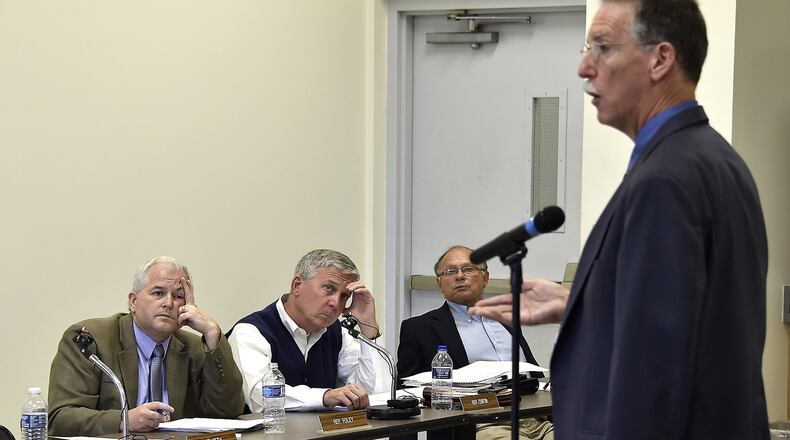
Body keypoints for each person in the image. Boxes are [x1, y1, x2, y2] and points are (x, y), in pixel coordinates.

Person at [470, 0, 769, 438]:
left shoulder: (664, 179)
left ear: (660, 59)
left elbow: (655, 368)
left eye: (603, 48)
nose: (584, 68)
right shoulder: (715, 159)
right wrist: (581, 303)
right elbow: (690, 318)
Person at [48, 256, 245, 436]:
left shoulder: (195, 348)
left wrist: (212, 333)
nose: (168, 303)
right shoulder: (90, 340)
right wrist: (124, 421)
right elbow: (61, 418)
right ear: (133, 302)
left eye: (178, 296)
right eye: (158, 293)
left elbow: (229, 410)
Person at [398, 245, 553, 440]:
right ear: (439, 284)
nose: (459, 276)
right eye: (450, 271)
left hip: (537, 418)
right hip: (480, 425)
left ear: (485, 278)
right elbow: (406, 393)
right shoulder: (419, 328)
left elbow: (533, 375)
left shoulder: (507, 319)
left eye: (468, 269)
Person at [228, 249, 387, 412]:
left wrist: (369, 327)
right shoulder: (251, 332)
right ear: (297, 285)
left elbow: (375, 393)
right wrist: (325, 397)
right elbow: (260, 396)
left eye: (344, 296)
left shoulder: (337, 333)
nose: (335, 303)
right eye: (329, 288)